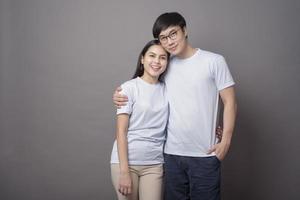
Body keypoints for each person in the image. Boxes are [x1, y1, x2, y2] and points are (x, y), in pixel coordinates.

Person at [113, 12, 237, 200]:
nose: (169, 41)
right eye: (163, 38)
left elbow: (230, 102)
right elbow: (145, 87)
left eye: (173, 34)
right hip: (170, 156)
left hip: (205, 154)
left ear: (184, 31)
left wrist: (226, 139)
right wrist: (120, 94)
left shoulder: (214, 61)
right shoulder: (164, 65)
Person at [110, 39, 170, 200]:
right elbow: (121, 132)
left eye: (163, 57)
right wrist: (124, 172)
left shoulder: (168, 89)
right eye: (152, 56)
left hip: (154, 164)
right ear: (142, 59)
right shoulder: (128, 88)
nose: (157, 61)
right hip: (126, 164)